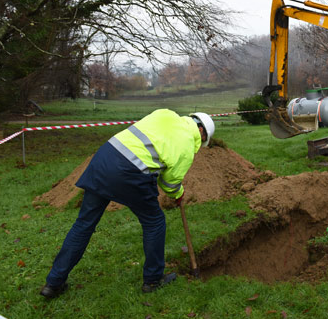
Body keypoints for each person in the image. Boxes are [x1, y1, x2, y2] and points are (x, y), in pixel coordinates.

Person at [39, 109, 215, 299]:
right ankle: (153, 280)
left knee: (84, 224)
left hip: (104, 159)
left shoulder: (165, 113)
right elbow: (170, 183)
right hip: (130, 172)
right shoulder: (187, 145)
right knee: (154, 222)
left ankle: (54, 283)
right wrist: (179, 193)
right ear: (201, 131)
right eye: (204, 137)